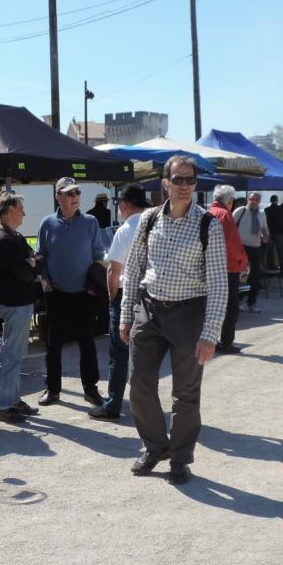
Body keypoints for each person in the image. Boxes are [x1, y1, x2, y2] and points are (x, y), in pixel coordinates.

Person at [120, 156, 227, 484]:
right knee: (138, 383)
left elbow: (220, 283)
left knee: (185, 394)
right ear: (164, 183)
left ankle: (180, 458)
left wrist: (210, 333)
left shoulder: (208, 225)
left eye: (190, 181)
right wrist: (127, 315)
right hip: (149, 310)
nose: (185, 186)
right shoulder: (149, 220)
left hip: (189, 314)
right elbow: (135, 267)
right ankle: (155, 447)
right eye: (178, 180)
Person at [36, 177, 105, 406]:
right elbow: (41, 256)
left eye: (77, 192)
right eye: (69, 193)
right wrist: (44, 278)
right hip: (56, 294)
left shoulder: (90, 222)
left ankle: (90, 389)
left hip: (85, 295)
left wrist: (96, 285)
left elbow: (98, 256)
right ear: (58, 197)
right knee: (53, 345)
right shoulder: (47, 223)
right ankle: (52, 389)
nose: (75, 197)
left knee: (88, 344)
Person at [90, 183, 149, 420]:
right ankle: (146, 405)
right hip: (153, 296)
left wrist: (112, 297)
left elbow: (113, 272)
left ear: (124, 206)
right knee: (147, 353)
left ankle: (113, 404)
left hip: (127, 295)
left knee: (120, 352)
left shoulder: (125, 230)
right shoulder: (157, 223)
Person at [0, 192, 39, 424]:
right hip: (14, 304)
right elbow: (25, 272)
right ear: (9, 210)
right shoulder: (3, 239)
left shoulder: (13, 236)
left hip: (21, 303)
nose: (24, 213)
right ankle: (3, 406)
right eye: (20, 209)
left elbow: (34, 261)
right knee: (10, 356)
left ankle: (13, 400)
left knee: (17, 355)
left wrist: (31, 263)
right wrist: (30, 264)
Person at [208, 185, 248, 354]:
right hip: (228, 267)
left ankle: (212, 339)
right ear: (230, 201)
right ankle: (226, 342)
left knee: (212, 306)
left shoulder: (207, 212)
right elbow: (232, 244)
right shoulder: (225, 215)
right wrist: (244, 260)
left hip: (210, 267)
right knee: (230, 307)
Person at [232, 192, 269, 313]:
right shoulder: (240, 211)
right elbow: (229, 226)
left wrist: (266, 236)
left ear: (259, 201)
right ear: (248, 199)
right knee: (241, 275)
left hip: (256, 247)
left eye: (256, 200)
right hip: (241, 247)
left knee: (254, 276)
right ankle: (239, 301)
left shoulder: (262, 214)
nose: (254, 201)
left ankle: (252, 303)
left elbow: (265, 229)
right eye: (252, 199)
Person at [264, 194, 283, 273]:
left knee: (270, 252)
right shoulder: (282, 209)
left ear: (270, 201)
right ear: (277, 200)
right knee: (281, 252)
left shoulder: (266, 210)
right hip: (280, 233)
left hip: (270, 232)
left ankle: (271, 269)